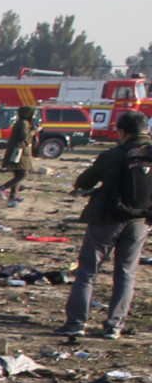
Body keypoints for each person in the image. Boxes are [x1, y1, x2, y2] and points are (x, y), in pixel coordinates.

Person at [63, 109, 152, 339]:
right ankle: (114, 326)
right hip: (140, 221)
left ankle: (76, 323)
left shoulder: (113, 155)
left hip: (107, 218)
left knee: (87, 272)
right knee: (126, 274)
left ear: (122, 132)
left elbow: (83, 182)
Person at [1, 104, 39, 206]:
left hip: (22, 151)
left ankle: (12, 197)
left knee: (18, 175)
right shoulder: (23, 123)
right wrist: (34, 131)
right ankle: (2, 188)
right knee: (23, 174)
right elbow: (24, 137)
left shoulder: (25, 123)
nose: (35, 115)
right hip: (19, 152)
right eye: (33, 113)